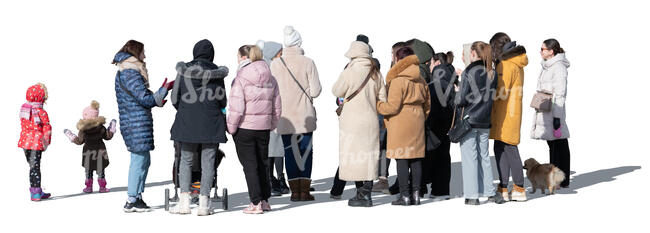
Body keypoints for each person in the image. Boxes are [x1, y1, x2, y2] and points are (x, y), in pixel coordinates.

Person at [169, 39, 229, 216]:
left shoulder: (183, 72)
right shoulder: (216, 74)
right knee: (208, 163)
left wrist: (186, 108)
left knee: (186, 160)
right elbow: (222, 100)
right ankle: (204, 203)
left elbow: (174, 98)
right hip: (211, 123)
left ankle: (184, 203)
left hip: (187, 123)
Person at [113, 40, 173, 212]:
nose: (145, 56)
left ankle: (137, 197)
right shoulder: (130, 72)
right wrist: (164, 90)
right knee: (139, 161)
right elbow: (144, 99)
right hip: (135, 124)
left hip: (136, 123)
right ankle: (132, 199)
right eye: (143, 52)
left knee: (144, 160)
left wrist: (160, 93)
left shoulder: (127, 71)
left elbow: (142, 96)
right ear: (136, 52)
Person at [227, 45, 282, 214]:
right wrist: (271, 124)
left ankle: (255, 202)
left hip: (245, 128)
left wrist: (231, 128)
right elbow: (277, 107)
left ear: (244, 57)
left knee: (250, 166)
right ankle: (265, 200)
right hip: (263, 128)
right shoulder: (271, 78)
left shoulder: (241, 78)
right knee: (263, 164)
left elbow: (237, 107)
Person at [332, 41, 387, 207]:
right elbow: (383, 98)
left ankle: (360, 194)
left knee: (354, 155)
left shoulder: (350, 71)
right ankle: (366, 193)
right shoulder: (376, 72)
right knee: (369, 156)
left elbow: (336, 91)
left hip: (351, 122)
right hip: (370, 120)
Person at [270, 26, 322, 201]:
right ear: (299, 42)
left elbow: (271, 91)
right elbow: (316, 91)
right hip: (304, 116)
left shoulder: (275, 64)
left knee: (290, 153)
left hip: (285, 117)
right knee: (306, 152)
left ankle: (294, 192)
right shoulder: (308, 62)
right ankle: (305, 192)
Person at [377, 47, 431, 206]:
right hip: (418, 120)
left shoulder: (398, 80)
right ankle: (416, 195)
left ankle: (404, 195)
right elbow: (428, 105)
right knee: (416, 160)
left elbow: (392, 107)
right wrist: (420, 117)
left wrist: (378, 105)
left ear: (399, 60)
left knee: (401, 159)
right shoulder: (421, 79)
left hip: (400, 121)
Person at [454, 41, 504, 205]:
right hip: (485, 120)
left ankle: (472, 195)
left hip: (469, 120)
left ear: (474, 53)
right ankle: (490, 192)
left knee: (470, 159)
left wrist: (456, 92)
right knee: (484, 157)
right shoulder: (492, 72)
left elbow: (461, 100)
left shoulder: (469, 71)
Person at [489, 32, 528, 201]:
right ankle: (504, 187)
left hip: (504, 114)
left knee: (509, 150)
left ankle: (519, 188)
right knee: (502, 148)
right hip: (511, 113)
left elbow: (500, 93)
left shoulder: (505, 65)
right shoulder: (516, 62)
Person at [531, 38, 571, 188]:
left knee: (559, 145)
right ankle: (556, 178)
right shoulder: (547, 66)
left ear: (551, 51)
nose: (540, 51)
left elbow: (560, 93)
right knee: (553, 145)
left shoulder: (558, 67)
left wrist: (557, 117)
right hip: (546, 109)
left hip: (554, 111)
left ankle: (562, 180)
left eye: (543, 49)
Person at [256, 40, 291, 196]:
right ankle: (271, 179)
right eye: (279, 52)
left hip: (278, 110)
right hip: (269, 112)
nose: (282, 54)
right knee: (271, 147)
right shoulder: (267, 69)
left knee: (278, 147)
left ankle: (278, 178)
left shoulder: (275, 66)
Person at [63, 100, 116, 193]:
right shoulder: (101, 127)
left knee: (88, 171)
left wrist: (71, 136)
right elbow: (107, 137)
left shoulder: (83, 130)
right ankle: (102, 188)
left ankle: (88, 188)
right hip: (100, 152)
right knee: (101, 171)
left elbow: (80, 141)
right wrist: (111, 129)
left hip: (88, 152)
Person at [427, 51, 457, 200]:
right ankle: (442, 190)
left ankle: (432, 189)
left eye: (430, 63)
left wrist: (427, 124)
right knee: (444, 156)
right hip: (449, 124)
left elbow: (433, 106)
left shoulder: (436, 81)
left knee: (432, 155)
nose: (429, 67)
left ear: (437, 63)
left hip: (436, 124)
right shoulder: (452, 78)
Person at [18, 83, 52, 201]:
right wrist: (46, 142)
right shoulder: (42, 112)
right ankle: (36, 192)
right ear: (42, 97)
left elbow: (23, 125)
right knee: (35, 167)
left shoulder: (24, 109)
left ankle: (36, 190)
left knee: (32, 166)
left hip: (25, 142)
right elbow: (47, 127)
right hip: (36, 143)